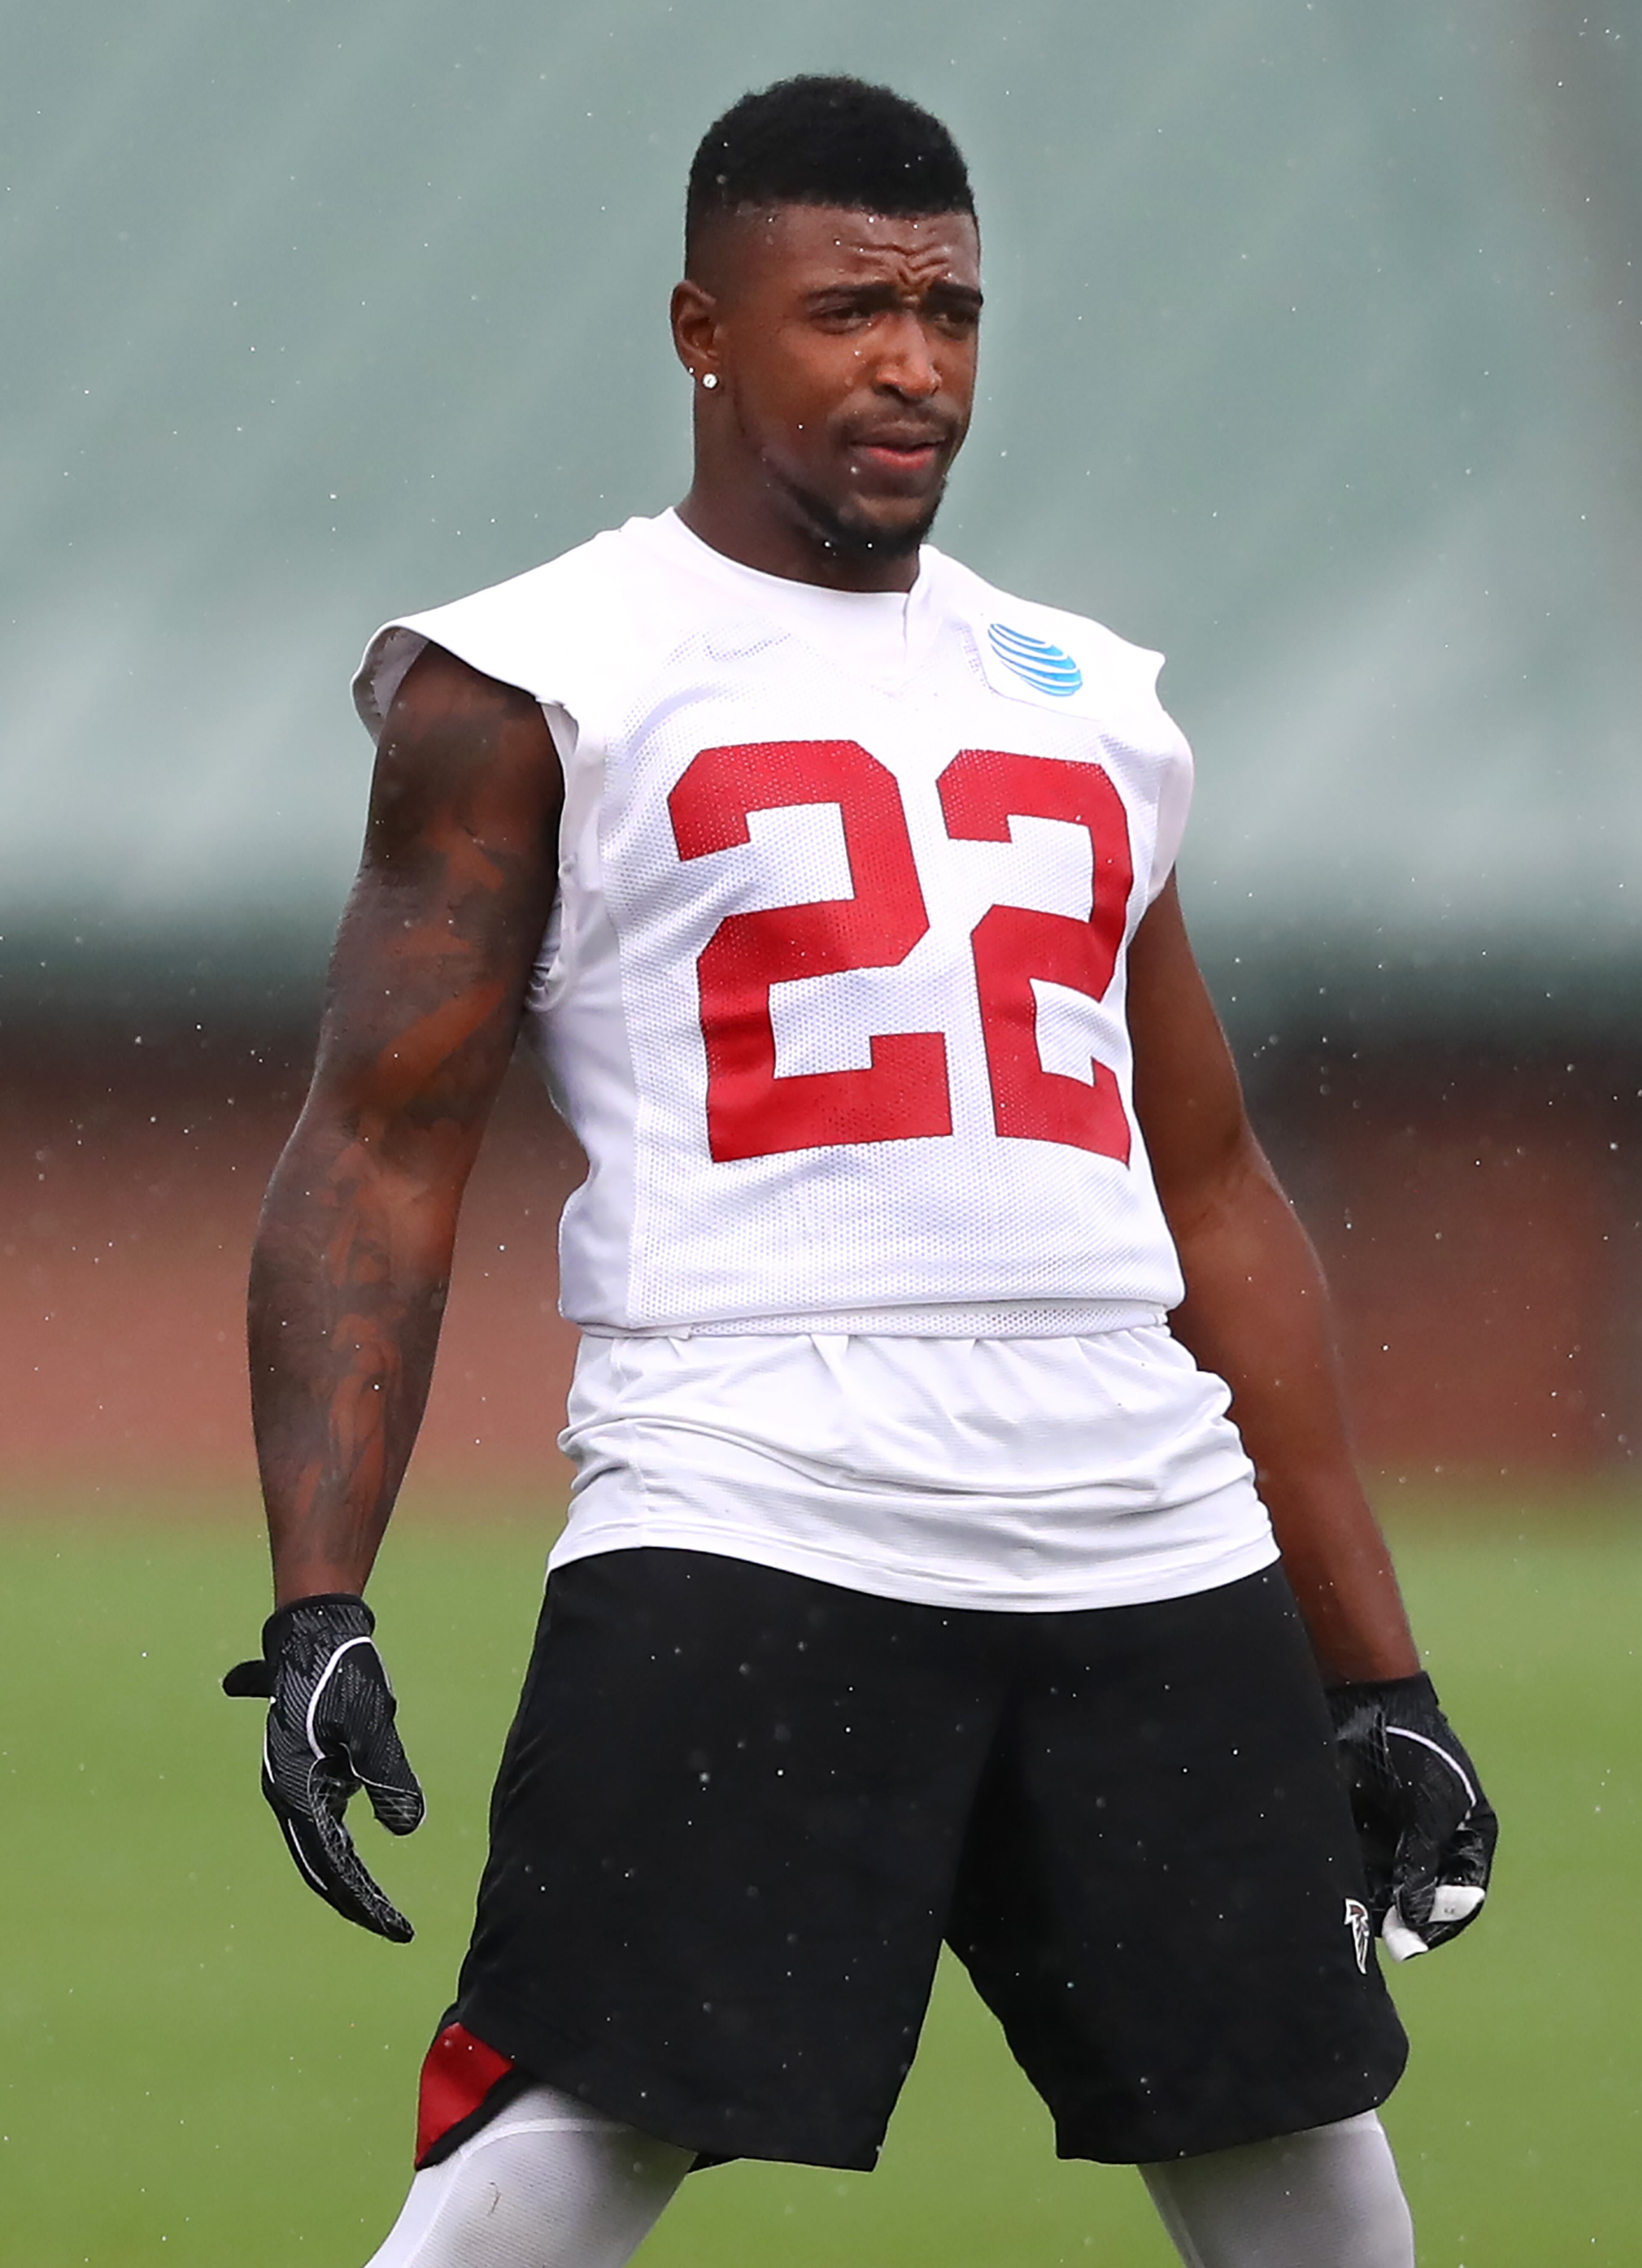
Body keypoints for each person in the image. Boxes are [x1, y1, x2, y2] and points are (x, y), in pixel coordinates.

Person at [227, 75, 1497, 2268]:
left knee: (1307, 2158)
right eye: (848, 313)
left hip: (1139, 1516)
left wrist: (1374, 1668)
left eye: (951, 313)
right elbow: (376, 1147)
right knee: (564, 2142)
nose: (914, 366)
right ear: (702, 331)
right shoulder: (531, 677)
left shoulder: (1089, 694)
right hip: (758, 1492)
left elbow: (1205, 1186)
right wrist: (318, 1598)